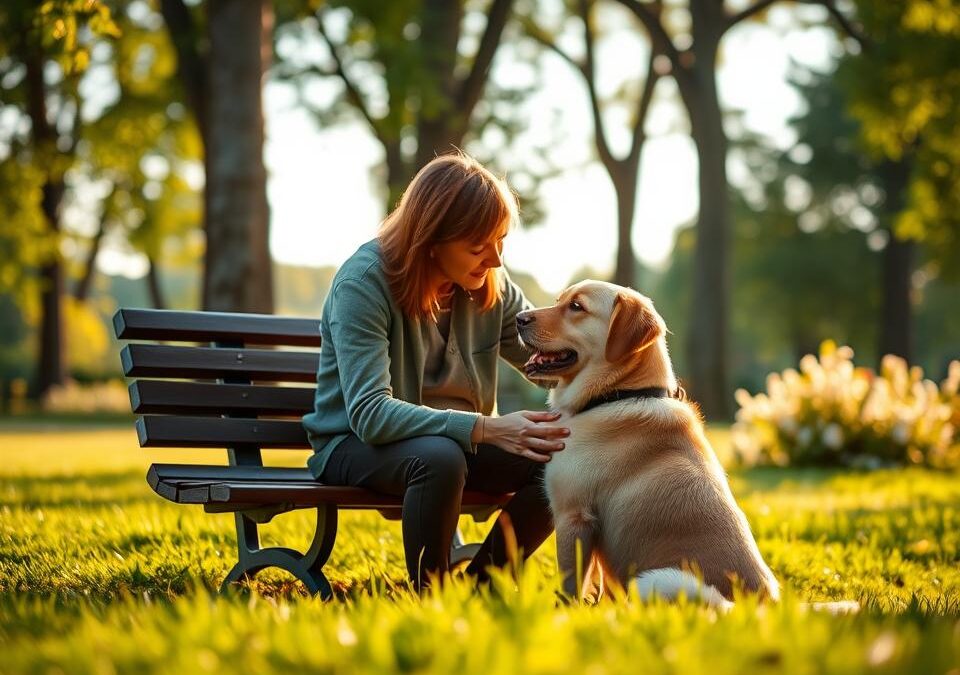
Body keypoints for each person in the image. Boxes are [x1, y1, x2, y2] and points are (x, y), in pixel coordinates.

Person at [302, 152, 569, 590]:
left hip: (458, 445)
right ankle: (433, 595)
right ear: (431, 239)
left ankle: (484, 585)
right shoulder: (363, 284)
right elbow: (370, 414)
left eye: (500, 241)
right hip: (354, 445)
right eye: (478, 246)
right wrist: (488, 428)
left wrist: (631, 377)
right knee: (439, 457)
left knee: (559, 457)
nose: (496, 261)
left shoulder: (490, 288)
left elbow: (549, 366)